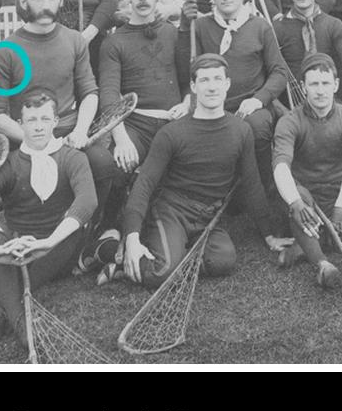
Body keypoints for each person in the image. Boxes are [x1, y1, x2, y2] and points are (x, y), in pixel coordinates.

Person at [119, 54, 282, 289]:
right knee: (162, 272)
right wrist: (132, 237)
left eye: (217, 79)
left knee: (223, 261)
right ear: (194, 86)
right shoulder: (172, 133)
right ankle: (126, 260)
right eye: (204, 80)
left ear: (227, 84)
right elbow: (144, 184)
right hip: (172, 212)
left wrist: (268, 234)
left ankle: (173, 256)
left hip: (208, 218)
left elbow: (252, 183)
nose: (212, 86)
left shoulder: (241, 130)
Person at [0, 88, 100, 345]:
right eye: (31, 120)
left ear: (55, 122)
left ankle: (5, 310)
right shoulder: (7, 163)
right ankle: (23, 324)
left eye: (45, 119)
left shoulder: (73, 158)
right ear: (20, 124)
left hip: (56, 246)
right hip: (18, 247)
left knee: (72, 227)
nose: (38, 127)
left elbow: (88, 200)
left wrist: (47, 243)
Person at [0, 0, 119, 242]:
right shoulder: (4, 50)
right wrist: (36, 140)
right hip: (25, 137)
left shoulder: (74, 40)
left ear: (60, 0)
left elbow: (90, 92)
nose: (45, 5)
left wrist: (81, 130)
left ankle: (92, 230)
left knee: (103, 162)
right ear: (23, 2)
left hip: (68, 132)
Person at [273, 53, 342, 287]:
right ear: (303, 87)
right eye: (313, 84)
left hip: (341, 194)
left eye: (326, 83)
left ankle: (304, 246)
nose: (320, 90)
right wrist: (295, 201)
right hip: (308, 198)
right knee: (295, 196)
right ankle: (322, 263)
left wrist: (340, 209)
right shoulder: (289, 121)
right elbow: (281, 166)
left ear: (336, 85)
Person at [192, 0, 290, 219]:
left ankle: (264, 197)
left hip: (252, 105)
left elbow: (279, 72)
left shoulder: (259, 26)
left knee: (255, 129)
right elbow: (191, 70)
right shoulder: (202, 27)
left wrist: (258, 100)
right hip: (216, 105)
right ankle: (223, 196)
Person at [99, 0, 191, 182]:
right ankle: (115, 213)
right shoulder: (114, 42)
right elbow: (109, 94)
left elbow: (189, 83)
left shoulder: (173, 34)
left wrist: (187, 103)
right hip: (137, 125)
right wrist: (121, 139)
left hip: (174, 123)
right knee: (116, 165)